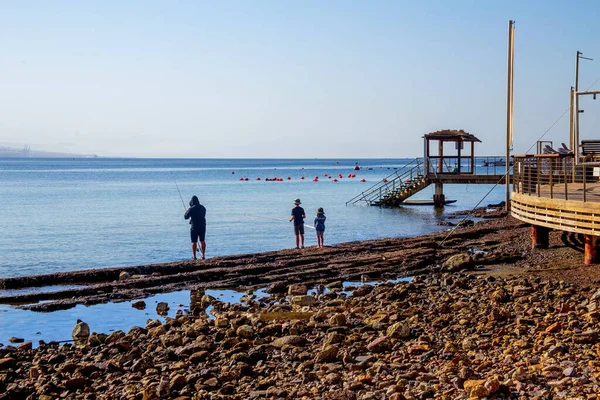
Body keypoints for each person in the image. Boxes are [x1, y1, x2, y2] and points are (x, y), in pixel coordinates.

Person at [184, 195, 206, 260]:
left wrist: (186, 212)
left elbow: (186, 217)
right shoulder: (203, 208)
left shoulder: (191, 209)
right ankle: (203, 255)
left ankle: (194, 256)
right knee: (202, 241)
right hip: (202, 226)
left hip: (194, 226)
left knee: (194, 242)